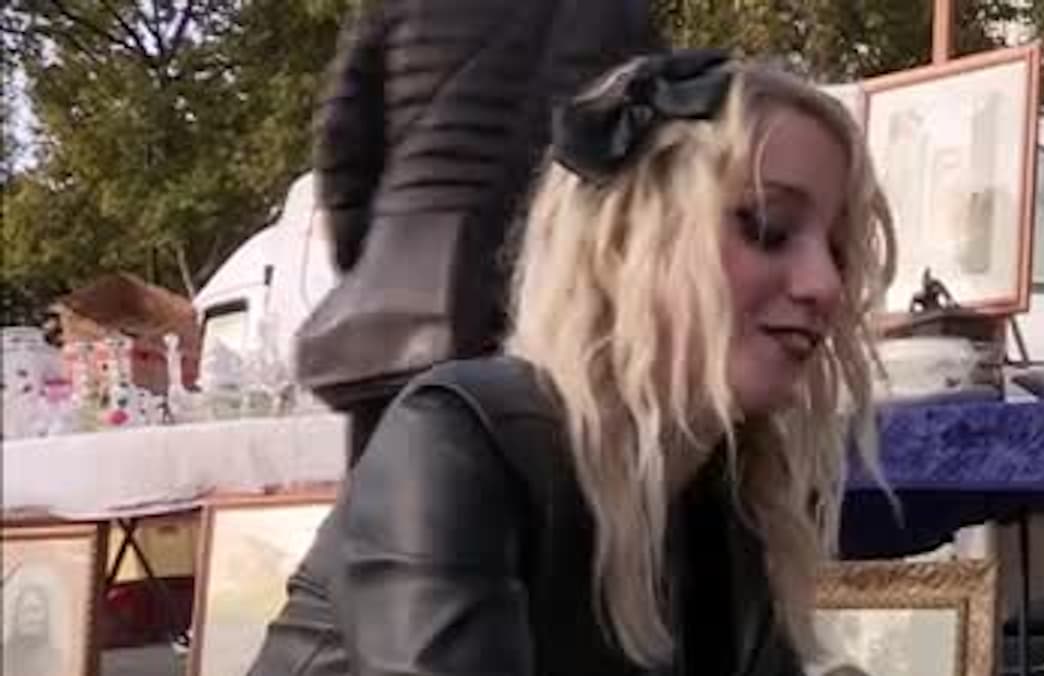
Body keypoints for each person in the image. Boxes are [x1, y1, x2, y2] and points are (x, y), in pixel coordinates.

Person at [249, 50, 896, 675]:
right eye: (767, 227)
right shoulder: (456, 442)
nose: (825, 284)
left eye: (838, 249)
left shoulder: (730, 503)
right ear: (626, 241)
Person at [291, 0, 668, 464]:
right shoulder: (617, 11)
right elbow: (648, 164)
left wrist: (373, 263)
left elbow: (342, 153)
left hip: (410, 301)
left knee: (387, 490)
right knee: (554, 484)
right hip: (557, 298)